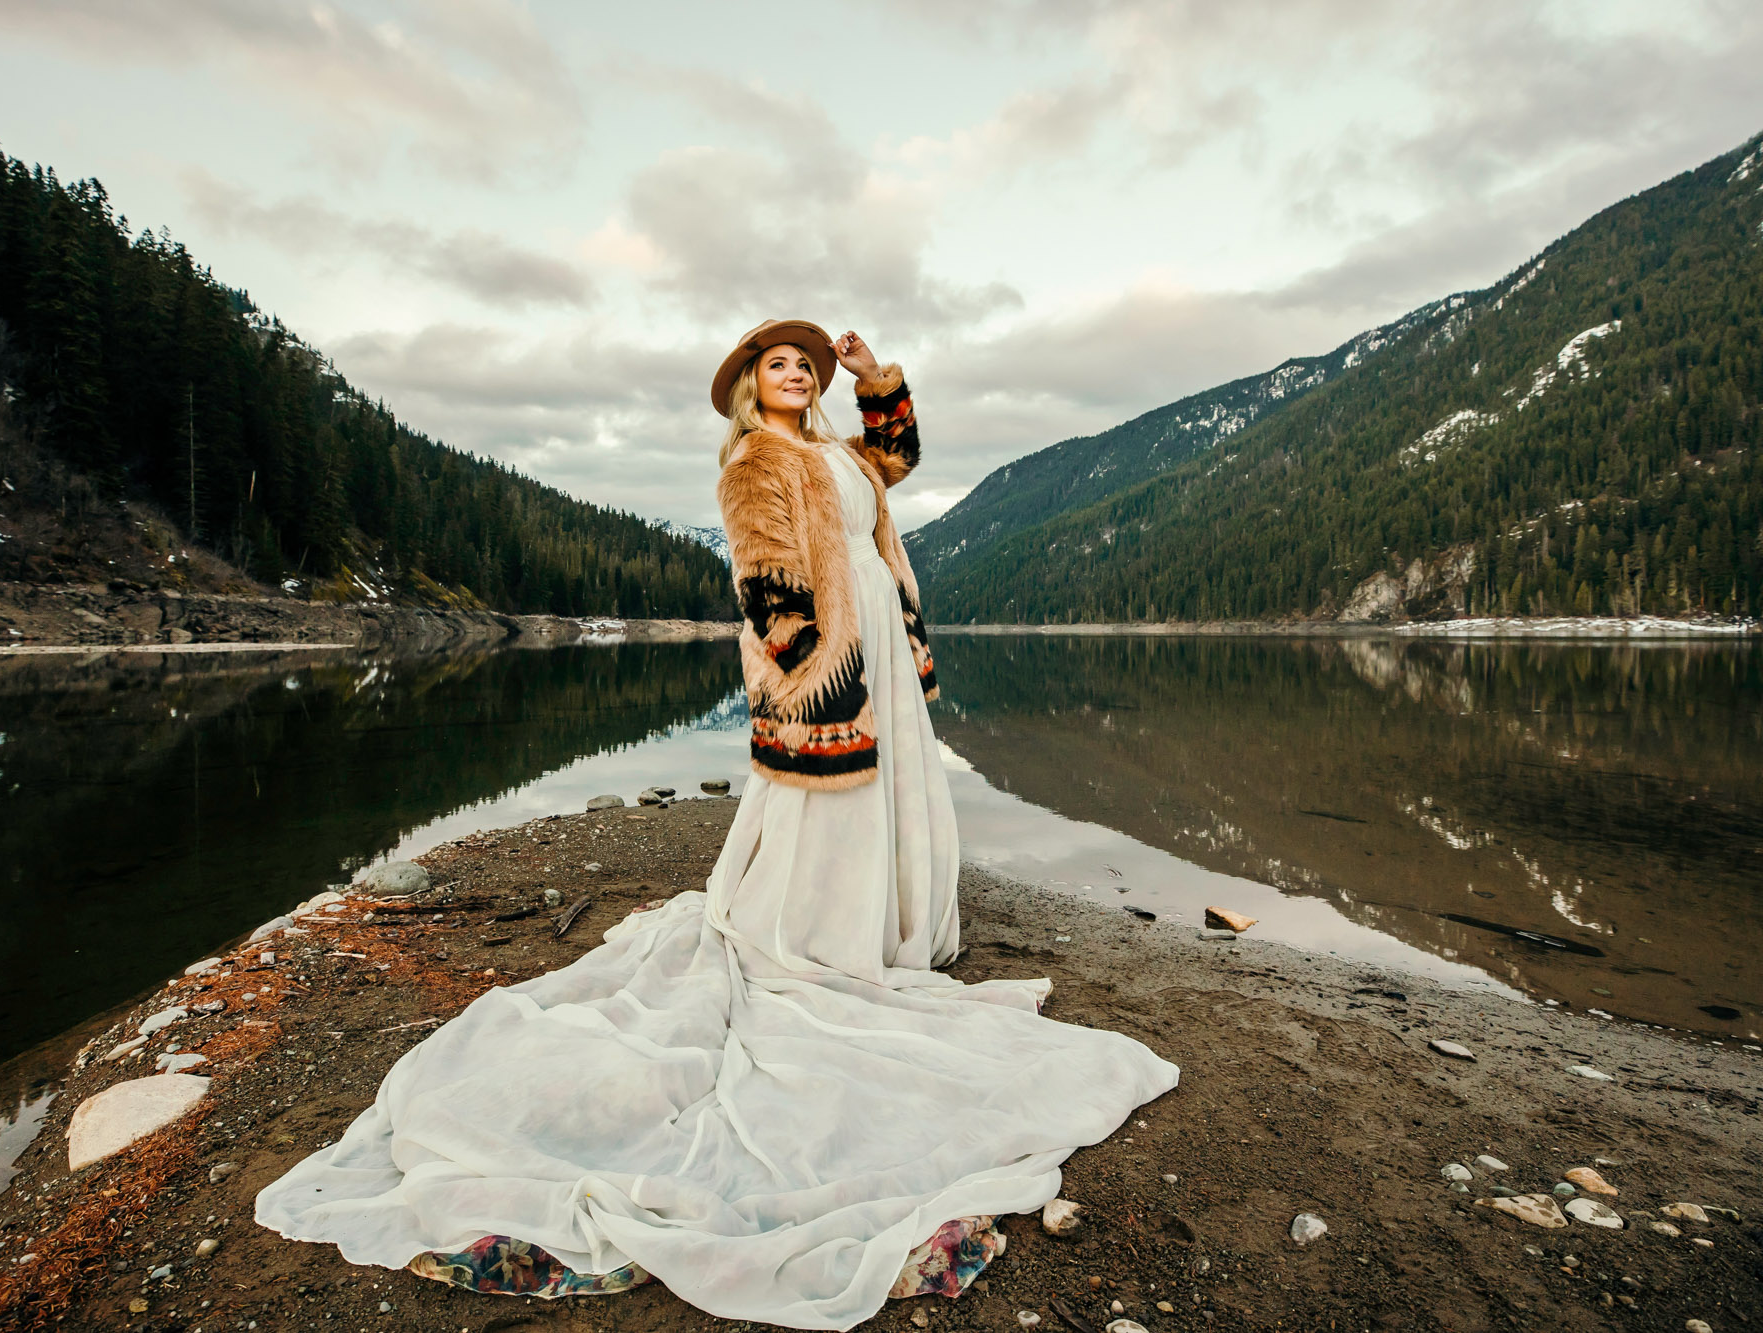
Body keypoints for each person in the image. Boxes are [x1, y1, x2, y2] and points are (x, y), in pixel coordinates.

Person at [254, 319, 1178, 1331]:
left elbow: (898, 463)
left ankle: (891, 928)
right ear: (749, 385)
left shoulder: (835, 449)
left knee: (894, 784)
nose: (793, 375)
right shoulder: (753, 461)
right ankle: (826, 933)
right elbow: (765, 576)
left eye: (804, 366)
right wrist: (806, 668)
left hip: (878, 621)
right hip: (828, 647)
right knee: (828, 796)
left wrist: (879, 381)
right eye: (776, 365)